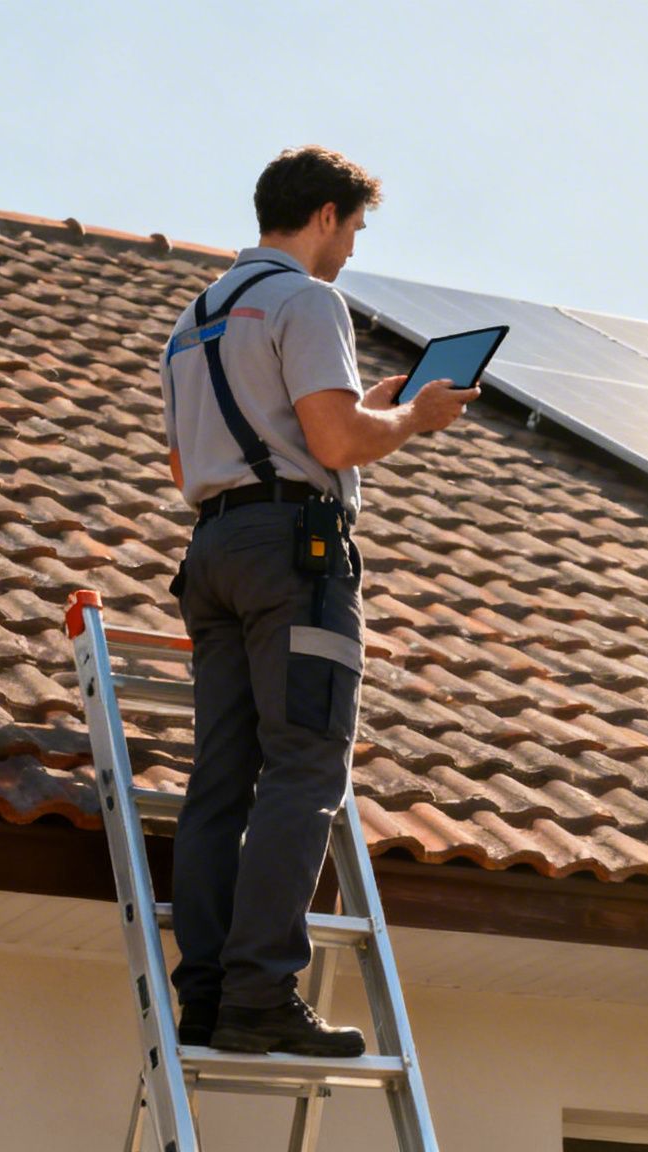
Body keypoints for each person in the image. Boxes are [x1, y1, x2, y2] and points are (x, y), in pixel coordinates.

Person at [158, 145, 477, 1056]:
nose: (351, 252)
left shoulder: (193, 320)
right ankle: (262, 991)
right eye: (355, 229)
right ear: (326, 215)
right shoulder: (308, 300)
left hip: (212, 550)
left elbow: (187, 466)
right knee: (305, 766)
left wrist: (364, 408)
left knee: (221, 779)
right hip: (292, 556)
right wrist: (411, 418)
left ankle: (211, 994)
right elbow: (334, 440)